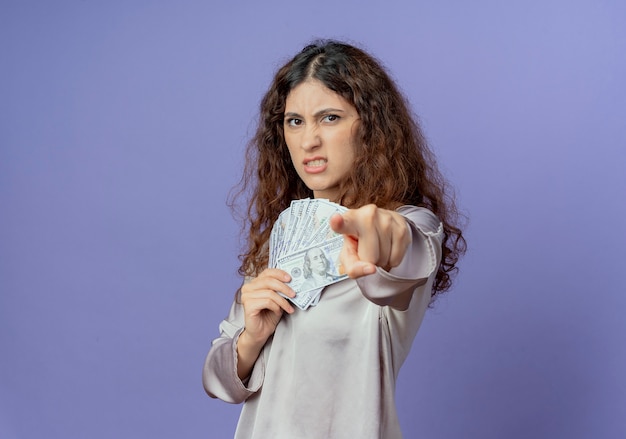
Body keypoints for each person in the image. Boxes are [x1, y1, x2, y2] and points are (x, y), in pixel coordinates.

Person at [203, 40, 466, 438]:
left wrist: (380, 234)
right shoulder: (281, 238)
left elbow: (402, 256)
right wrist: (251, 338)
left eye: (329, 118)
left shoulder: (413, 225)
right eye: (295, 121)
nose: (309, 140)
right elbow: (218, 380)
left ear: (371, 127)